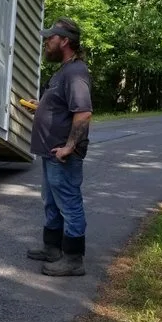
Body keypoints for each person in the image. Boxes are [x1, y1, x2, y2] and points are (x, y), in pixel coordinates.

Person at [27, 17, 92, 276]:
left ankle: (74, 259)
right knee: (51, 202)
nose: (46, 42)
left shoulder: (76, 72)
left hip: (62, 154)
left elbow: (83, 113)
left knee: (69, 203)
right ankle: (52, 248)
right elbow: (61, 106)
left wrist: (69, 147)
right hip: (50, 152)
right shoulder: (63, 71)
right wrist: (40, 105)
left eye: (50, 38)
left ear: (65, 41)